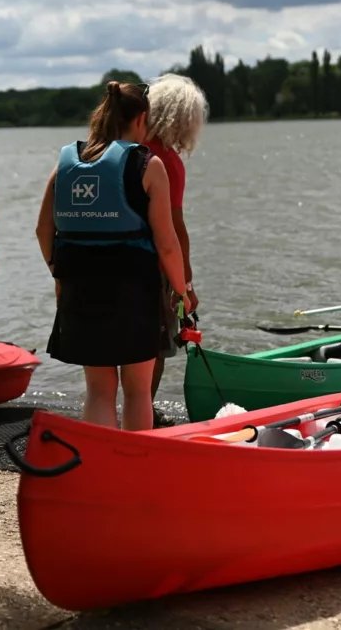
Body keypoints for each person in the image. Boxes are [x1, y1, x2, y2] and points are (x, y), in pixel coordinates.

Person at [35, 81, 191, 431]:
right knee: (137, 392)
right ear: (141, 119)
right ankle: (135, 461)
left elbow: (43, 230)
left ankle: (98, 460)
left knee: (99, 391)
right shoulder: (148, 165)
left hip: (79, 292)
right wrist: (181, 291)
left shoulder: (66, 166)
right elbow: (168, 244)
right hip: (133, 293)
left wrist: (58, 272)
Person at [143, 74, 209, 425]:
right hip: (154, 267)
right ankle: (145, 414)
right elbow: (175, 228)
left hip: (117, 263)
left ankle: (116, 414)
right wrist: (186, 285)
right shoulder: (166, 161)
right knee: (155, 347)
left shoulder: (126, 150)